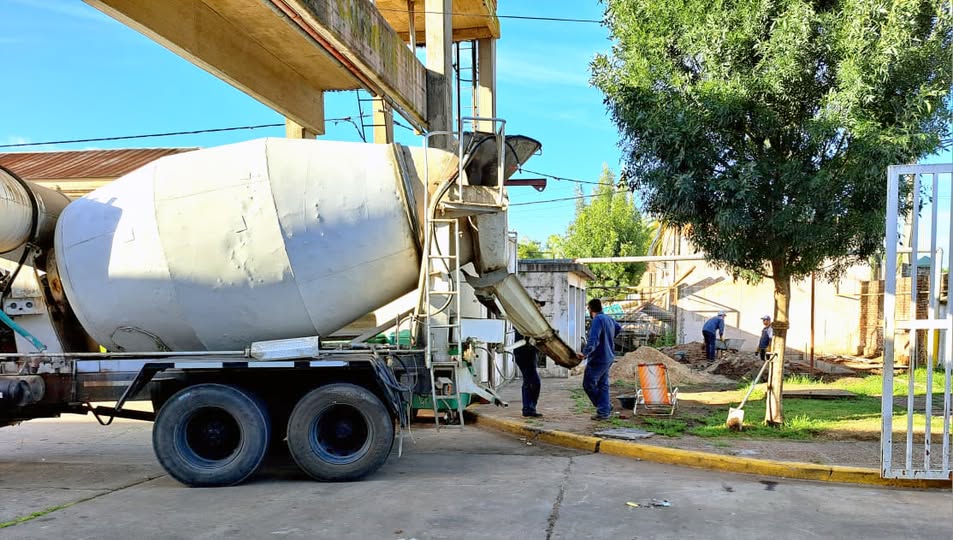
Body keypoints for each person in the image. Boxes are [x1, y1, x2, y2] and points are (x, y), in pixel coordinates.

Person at [578, 298, 622, 421]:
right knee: (603, 384)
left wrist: (585, 353)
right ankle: (604, 410)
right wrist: (609, 338)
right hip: (609, 357)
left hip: (599, 357)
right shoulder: (608, 319)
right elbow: (619, 328)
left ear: (590, 309)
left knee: (588, 384)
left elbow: (593, 340)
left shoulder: (597, 320)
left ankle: (604, 408)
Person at [513, 328, 543, 417]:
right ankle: (528, 408)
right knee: (533, 382)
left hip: (527, 352)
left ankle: (528, 408)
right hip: (524, 353)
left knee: (529, 380)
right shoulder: (522, 323)